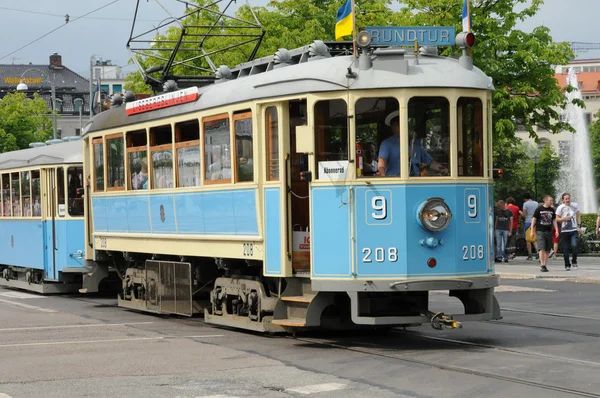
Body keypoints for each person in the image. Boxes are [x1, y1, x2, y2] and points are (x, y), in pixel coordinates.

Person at [377, 111, 448, 177]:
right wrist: (382, 174)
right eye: (397, 125)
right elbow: (382, 161)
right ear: (392, 127)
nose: (401, 127)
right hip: (395, 182)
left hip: (414, 182)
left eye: (403, 123)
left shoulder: (416, 143)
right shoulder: (386, 144)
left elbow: (430, 162)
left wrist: (443, 169)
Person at [530, 195, 559, 272]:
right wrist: (532, 230)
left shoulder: (552, 210)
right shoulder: (539, 209)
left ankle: (545, 264)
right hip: (540, 231)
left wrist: (556, 230)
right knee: (541, 247)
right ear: (545, 201)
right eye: (550, 200)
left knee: (547, 249)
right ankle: (542, 264)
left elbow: (554, 220)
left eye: (552, 200)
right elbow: (534, 220)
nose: (551, 202)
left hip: (549, 231)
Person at [555, 193, 581, 270]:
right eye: (566, 199)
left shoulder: (575, 205)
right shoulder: (560, 207)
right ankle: (567, 264)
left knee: (574, 246)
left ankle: (574, 261)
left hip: (573, 229)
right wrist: (563, 219)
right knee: (565, 249)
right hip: (564, 230)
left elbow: (578, 216)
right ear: (563, 200)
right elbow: (556, 219)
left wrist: (579, 226)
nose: (568, 200)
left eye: (568, 198)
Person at [521, 193, 539, 260]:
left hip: (528, 221)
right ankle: (537, 251)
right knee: (534, 238)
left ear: (525, 198)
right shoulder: (536, 203)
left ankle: (530, 254)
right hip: (535, 222)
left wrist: (520, 213)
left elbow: (524, 214)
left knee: (528, 239)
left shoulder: (525, 204)